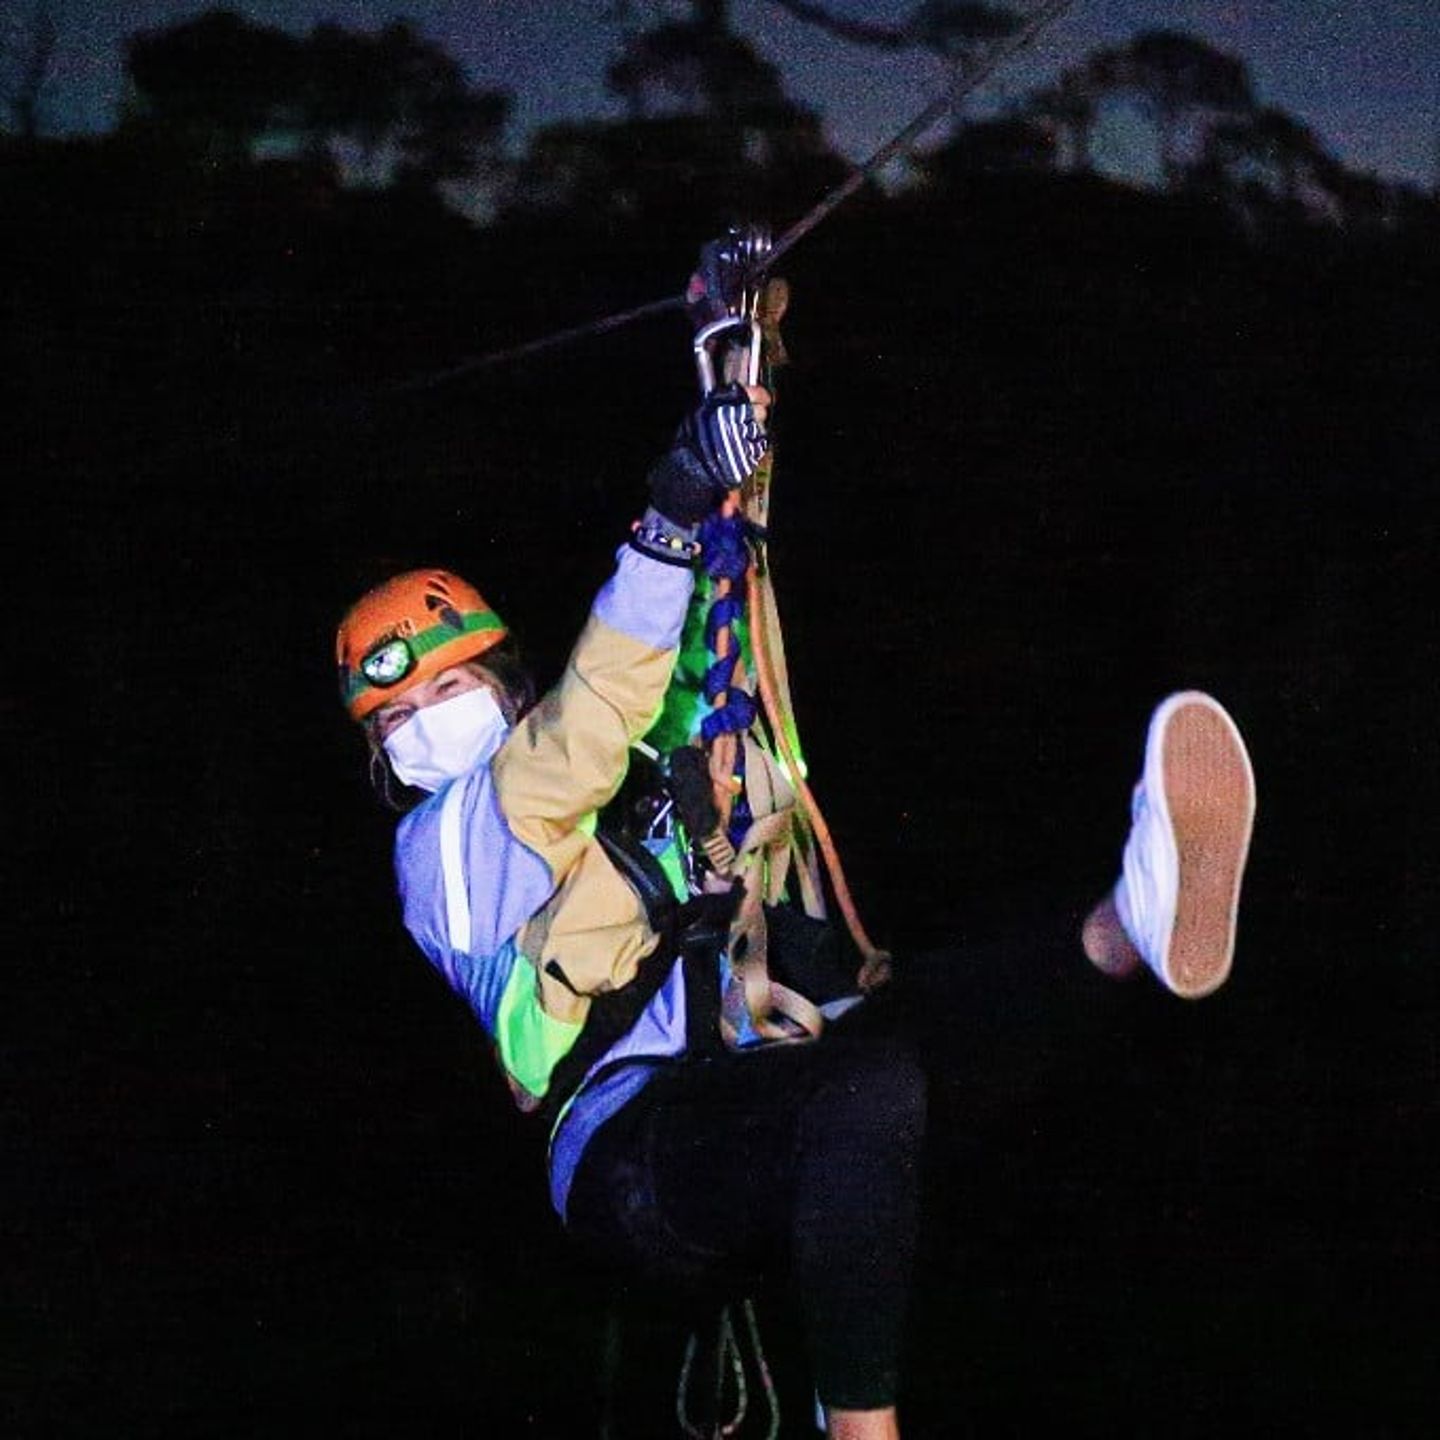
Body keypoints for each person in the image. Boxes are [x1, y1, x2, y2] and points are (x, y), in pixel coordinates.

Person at [335, 341, 1255, 1440]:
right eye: (397, 718)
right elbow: (584, 727)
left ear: (502, 682)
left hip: (761, 1061)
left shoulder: (617, 776)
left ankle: (1127, 924)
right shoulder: (442, 850)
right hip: (631, 1147)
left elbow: (700, 654)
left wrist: (732, 394)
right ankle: (860, 1429)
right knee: (861, 1091)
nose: (427, 721)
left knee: (922, 1034)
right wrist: (665, 521)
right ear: (386, 759)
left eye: (451, 687)